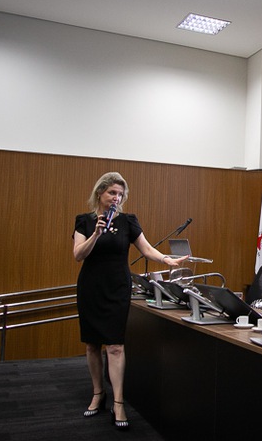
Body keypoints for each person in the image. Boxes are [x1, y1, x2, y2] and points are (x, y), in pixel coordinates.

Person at [73, 172, 187, 430]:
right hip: (91, 287)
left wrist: (167, 260)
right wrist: (96, 234)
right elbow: (78, 255)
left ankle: (118, 402)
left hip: (117, 287)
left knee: (115, 346)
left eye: (120, 194)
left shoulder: (128, 221)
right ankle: (97, 393)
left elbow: (146, 249)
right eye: (112, 192)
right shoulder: (85, 221)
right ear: (100, 193)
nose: (117, 198)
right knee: (92, 344)